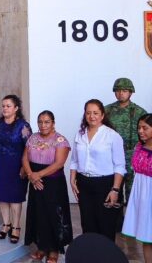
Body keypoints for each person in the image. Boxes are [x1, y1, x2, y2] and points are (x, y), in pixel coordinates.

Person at [69, 99, 125, 242]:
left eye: (95, 113)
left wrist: (115, 190)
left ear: (102, 115)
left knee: (105, 225)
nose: (91, 116)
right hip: (84, 183)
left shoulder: (112, 136)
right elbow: (74, 160)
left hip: (105, 184)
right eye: (88, 113)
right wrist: (72, 179)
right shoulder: (80, 134)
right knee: (87, 224)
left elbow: (120, 166)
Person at [22, 110, 73, 263]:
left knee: (54, 215)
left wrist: (39, 175)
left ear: (53, 123)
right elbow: (24, 158)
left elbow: (59, 164)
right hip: (35, 182)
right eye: (40, 122)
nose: (43, 125)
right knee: (38, 214)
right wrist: (31, 175)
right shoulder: (32, 137)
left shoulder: (60, 140)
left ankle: (54, 250)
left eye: (47, 122)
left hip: (53, 184)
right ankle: (42, 247)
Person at [0, 94, 30, 244]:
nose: (5, 108)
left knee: (15, 197)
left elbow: (28, 147)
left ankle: (16, 227)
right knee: (2, 195)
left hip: (17, 165)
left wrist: (25, 167)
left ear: (16, 108)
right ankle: (6, 225)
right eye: (3, 105)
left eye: (8, 106)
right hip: (0, 163)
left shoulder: (23, 126)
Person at [105, 77, 147, 200]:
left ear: (130, 92)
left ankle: (131, 218)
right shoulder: (107, 110)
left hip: (133, 155)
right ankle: (116, 219)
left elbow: (148, 133)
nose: (121, 93)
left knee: (133, 192)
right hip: (112, 155)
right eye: (118, 90)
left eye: (124, 90)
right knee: (113, 190)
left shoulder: (139, 112)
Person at [121, 114, 152, 263]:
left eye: (145, 128)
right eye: (139, 127)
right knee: (147, 237)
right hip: (142, 197)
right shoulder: (139, 147)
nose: (140, 131)